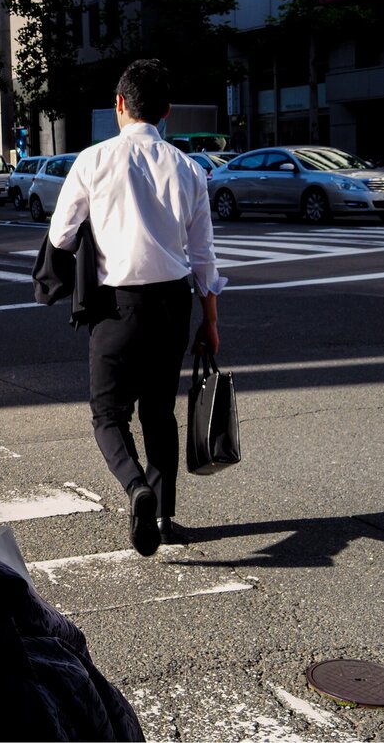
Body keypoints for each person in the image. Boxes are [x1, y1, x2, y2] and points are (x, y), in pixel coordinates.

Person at [48, 58, 224, 556]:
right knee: (160, 413)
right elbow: (205, 258)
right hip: (173, 303)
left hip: (116, 305)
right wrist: (210, 322)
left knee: (108, 413)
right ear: (167, 111)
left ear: (119, 104)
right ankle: (165, 517)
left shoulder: (94, 160)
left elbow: (60, 235)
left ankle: (135, 487)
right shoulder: (191, 170)